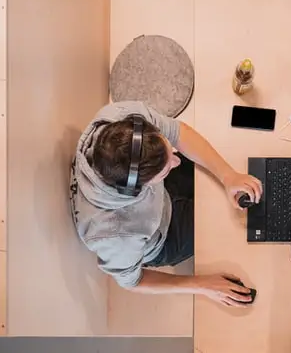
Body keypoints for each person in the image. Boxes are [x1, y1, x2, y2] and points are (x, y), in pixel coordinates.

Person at [70, 101, 263, 307]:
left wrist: (228, 176)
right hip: (165, 236)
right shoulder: (115, 234)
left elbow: (178, 133)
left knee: (239, 188)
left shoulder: (120, 118)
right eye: (165, 168)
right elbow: (133, 282)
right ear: (138, 189)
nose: (177, 162)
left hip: (161, 194)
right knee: (236, 226)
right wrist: (204, 285)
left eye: (169, 151)